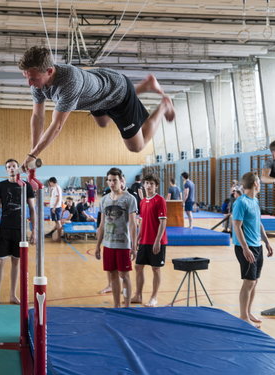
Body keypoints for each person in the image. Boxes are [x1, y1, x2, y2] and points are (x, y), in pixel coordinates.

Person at [18, 46, 175, 171]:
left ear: (50, 71)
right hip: (97, 93)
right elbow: (37, 117)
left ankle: (164, 105)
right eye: (27, 77)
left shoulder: (69, 83)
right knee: (102, 122)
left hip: (118, 93)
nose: (29, 84)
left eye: (33, 79)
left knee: (136, 147)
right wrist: (32, 153)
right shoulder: (37, 82)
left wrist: (34, 154)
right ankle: (145, 86)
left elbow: (57, 125)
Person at [0, 159, 36, 304]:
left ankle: (13, 295)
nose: (12, 168)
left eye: (14, 166)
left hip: (20, 230)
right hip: (5, 228)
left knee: (16, 262)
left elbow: (32, 209)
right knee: (0, 262)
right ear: (6, 170)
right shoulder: (1, 186)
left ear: (18, 168)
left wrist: (34, 230)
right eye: (9, 167)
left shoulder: (26, 186)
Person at [232, 172, 273, 328]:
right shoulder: (241, 202)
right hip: (245, 247)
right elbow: (236, 226)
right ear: (255, 183)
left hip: (257, 245)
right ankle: (243, 317)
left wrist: (267, 242)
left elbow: (259, 223)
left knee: (254, 281)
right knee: (249, 281)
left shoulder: (255, 201)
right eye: (259, 182)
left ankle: (248, 312)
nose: (260, 185)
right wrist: (245, 248)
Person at [95, 168, 138, 308]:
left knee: (124, 276)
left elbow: (132, 224)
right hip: (108, 244)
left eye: (115, 180)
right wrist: (97, 245)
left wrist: (134, 246)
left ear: (121, 180)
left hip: (123, 245)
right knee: (113, 275)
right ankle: (117, 305)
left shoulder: (129, 199)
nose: (112, 183)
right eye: (109, 180)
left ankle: (126, 306)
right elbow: (101, 224)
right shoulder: (104, 199)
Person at [131, 174, 167, 307]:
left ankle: (154, 297)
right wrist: (137, 239)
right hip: (144, 241)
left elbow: (163, 222)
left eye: (152, 183)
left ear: (156, 186)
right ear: (144, 185)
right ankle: (138, 295)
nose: (149, 186)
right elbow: (143, 222)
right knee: (138, 267)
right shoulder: (142, 201)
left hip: (157, 241)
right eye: (147, 183)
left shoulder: (160, 200)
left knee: (156, 269)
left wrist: (157, 240)